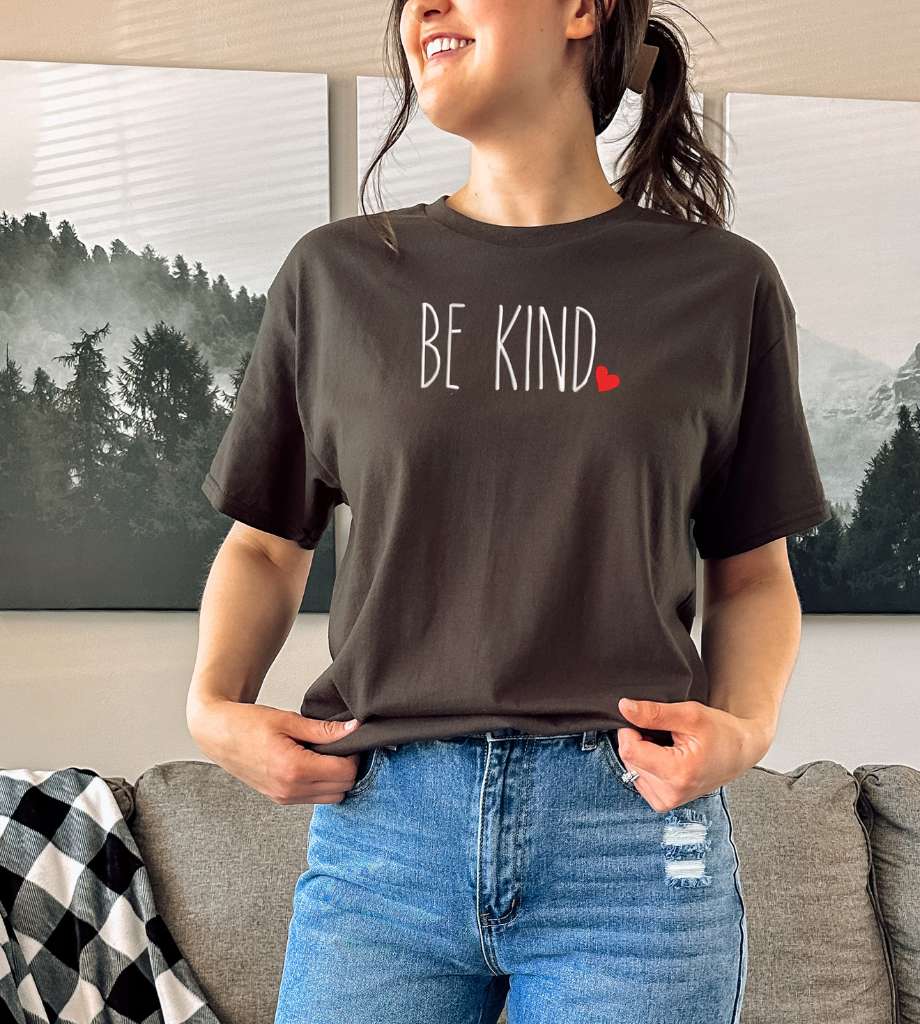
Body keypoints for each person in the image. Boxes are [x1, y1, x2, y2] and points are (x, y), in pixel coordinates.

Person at [186, 0, 831, 1021]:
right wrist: (212, 707)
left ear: (581, 11)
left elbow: (752, 570)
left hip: (629, 844)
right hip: (381, 838)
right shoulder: (335, 278)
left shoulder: (722, 287)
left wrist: (744, 727)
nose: (420, 11)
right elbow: (266, 544)